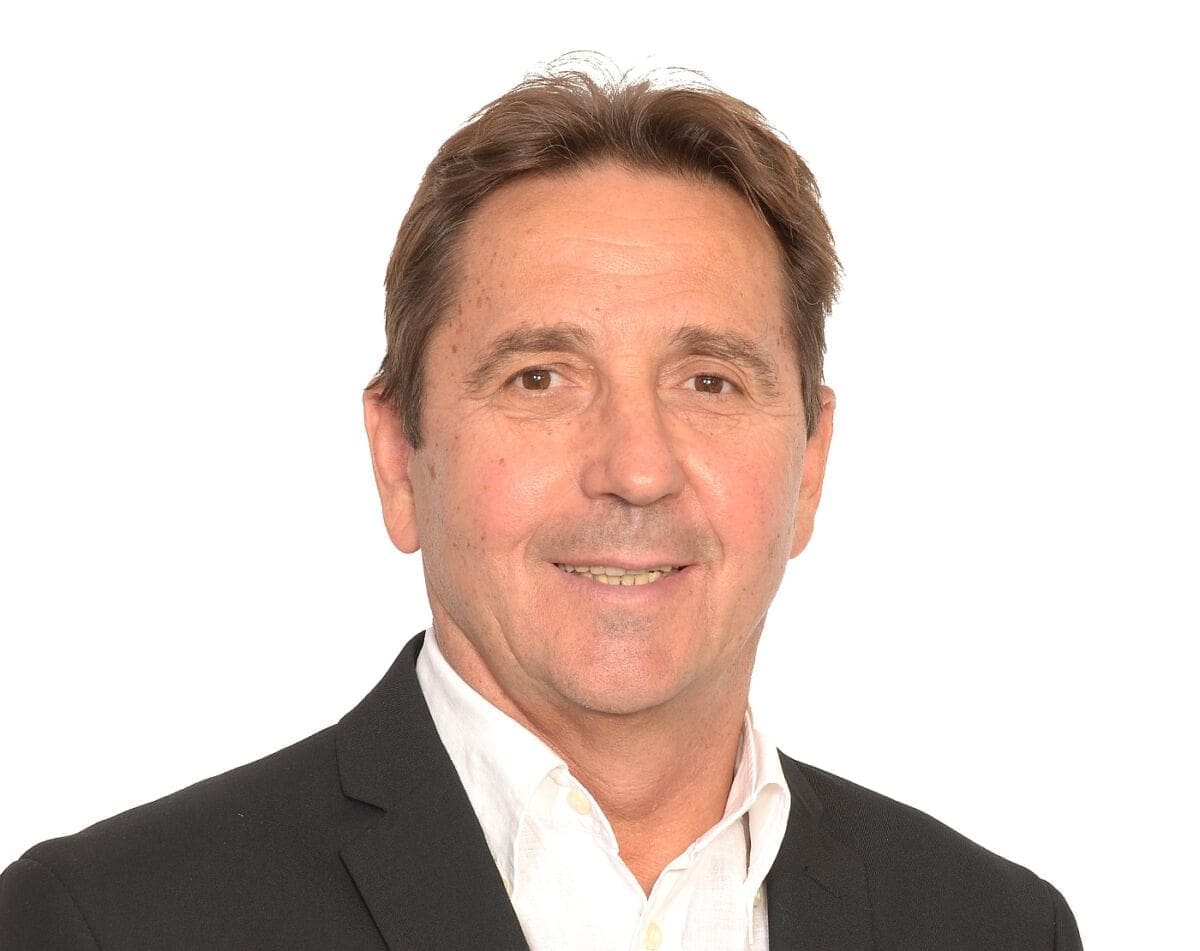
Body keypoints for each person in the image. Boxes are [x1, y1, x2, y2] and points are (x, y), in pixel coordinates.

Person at [0, 65, 1082, 950]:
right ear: (398, 457)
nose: (637, 468)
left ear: (809, 468)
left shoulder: (994, 929)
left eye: (709, 381)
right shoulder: (108, 924)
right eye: (541, 379)